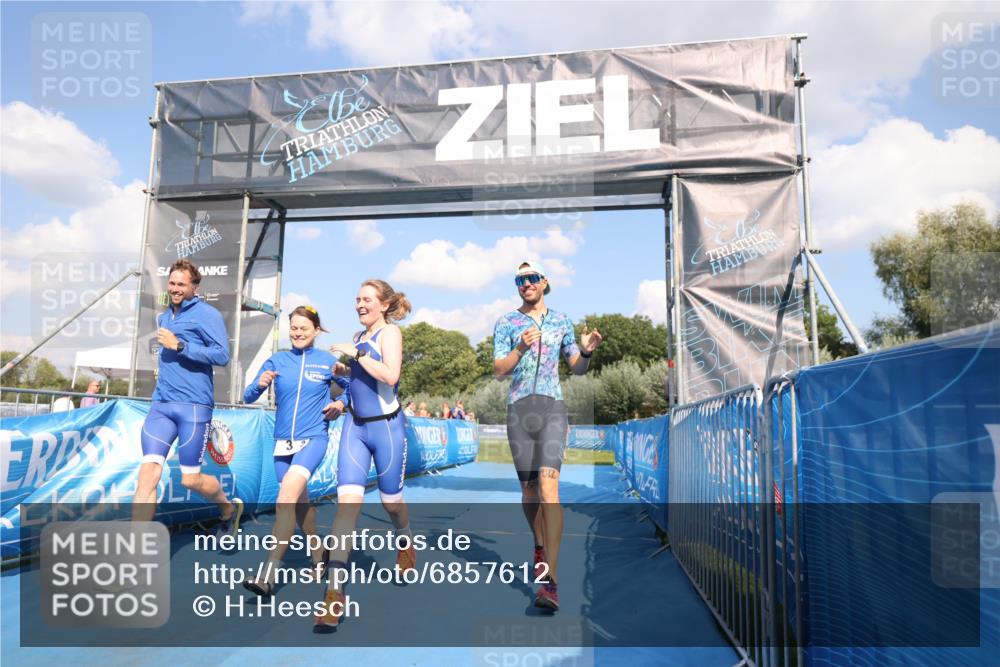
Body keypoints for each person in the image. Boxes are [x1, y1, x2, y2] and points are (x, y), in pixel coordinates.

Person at [493, 261, 603, 611]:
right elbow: (498, 371)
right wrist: (520, 349)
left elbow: (577, 367)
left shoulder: (561, 320)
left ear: (544, 282)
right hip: (519, 409)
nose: (525, 283)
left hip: (553, 408)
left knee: (548, 489)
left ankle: (550, 581)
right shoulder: (507, 322)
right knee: (528, 491)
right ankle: (538, 543)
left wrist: (586, 351)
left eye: (531, 278)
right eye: (519, 280)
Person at [314, 279, 414, 632]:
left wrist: (356, 357)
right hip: (355, 429)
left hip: (387, 429)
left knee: (391, 504)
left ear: (384, 305)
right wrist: (342, 389)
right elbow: (358, 387)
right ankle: (334, 595)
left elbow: (390, 375)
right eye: (356, 299)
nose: (359, 304)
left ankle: (404, 539)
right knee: (347, 508)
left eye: (366, 299)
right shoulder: (357, 339)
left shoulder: (390, 335)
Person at [242, 306, 351, 596]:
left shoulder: (327, 362)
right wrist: (260, 384)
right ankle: (319, 557)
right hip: (282, 443)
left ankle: (268, 574)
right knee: (300, 506)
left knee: (286, 497)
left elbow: (353, 386)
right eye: (294, 328)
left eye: (304, 328)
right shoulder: (278, 360)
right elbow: (248, 394)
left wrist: (340, 404)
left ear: (316, 331)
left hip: (314, 439)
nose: (298, 333)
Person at [131, 259, 243, 539]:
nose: (175, 289)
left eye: (181, 284)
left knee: (190, 479)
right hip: (162, 405)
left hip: (194, 407)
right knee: (147, 475)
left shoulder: (208, 314)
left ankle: (228, 509)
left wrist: (180, 345)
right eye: (172, 283)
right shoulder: (165, 317)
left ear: (194, 287)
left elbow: (222, 356)